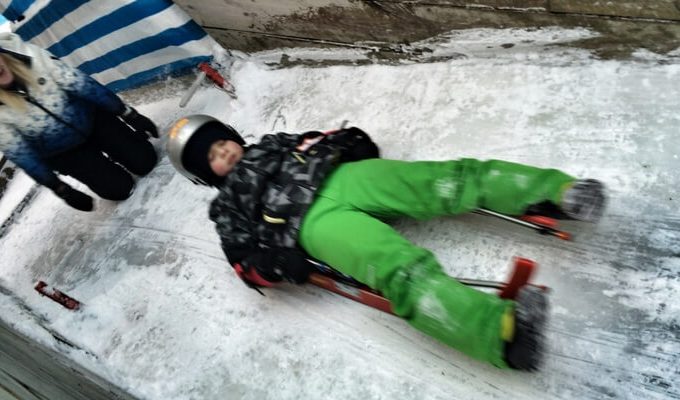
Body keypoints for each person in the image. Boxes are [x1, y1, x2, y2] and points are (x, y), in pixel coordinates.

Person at [165, 114, 606, 371]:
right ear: (207, 175)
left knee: (439, 180)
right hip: (310, 224)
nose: (226, 153)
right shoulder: (225, 211)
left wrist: (347, 142)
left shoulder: (274, 144)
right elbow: (244, 264)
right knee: (397, 269)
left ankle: (556, 193)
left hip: (341, 178)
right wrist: (275, 264)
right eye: (213, 157)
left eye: (223, 142)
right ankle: (505, 335)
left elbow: (319, 141)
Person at [0, 32, 158, 211]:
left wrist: (129, 114)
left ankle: (122, 148)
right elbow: (22, 154)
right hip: (64, 152)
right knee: (120, 190)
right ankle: (105, 172)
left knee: (146, 162)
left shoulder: (29, 56)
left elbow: (81, 84)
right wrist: (60, 188)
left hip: (93, 120)